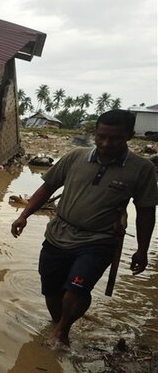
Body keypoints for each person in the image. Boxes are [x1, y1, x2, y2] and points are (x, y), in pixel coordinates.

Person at [11, 109, 157, 347]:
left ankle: (63, 330)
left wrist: (142, 249)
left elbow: (146, 211)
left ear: (129, 136)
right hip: (59, 233)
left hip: (99, 240)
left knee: (76, 289)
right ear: (95, 134)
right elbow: (47, 188)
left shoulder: (142, 169)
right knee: (51, 288)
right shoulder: (75, 157)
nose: (106, 143)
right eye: (101, 137)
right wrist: (24, 215)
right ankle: (57, 322)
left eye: (115, 138)